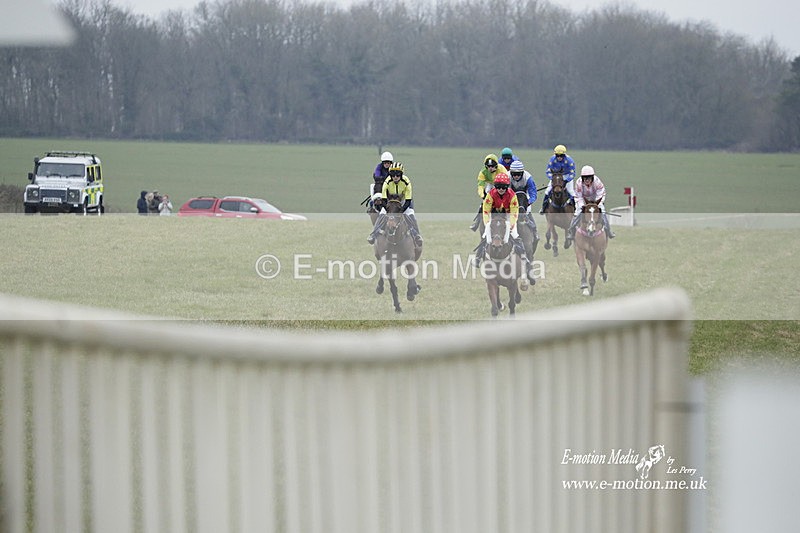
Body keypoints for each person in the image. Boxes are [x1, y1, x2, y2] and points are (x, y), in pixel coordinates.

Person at [473, 173, 529, 269]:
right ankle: (478, 257)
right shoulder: (490, 194)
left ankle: (524, 258)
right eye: (499, 187)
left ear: (507, 187)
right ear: (495, 187)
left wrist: (511, 225)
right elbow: (486, 210)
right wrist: (487, 223)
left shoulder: (512, 195)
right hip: (493, 214)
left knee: (515, 235)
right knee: (486, 235)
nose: (501, 189)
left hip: (508, 214)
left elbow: (514, 212)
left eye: (503, 187)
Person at [367, 162, 423, 246]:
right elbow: (384, 199)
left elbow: (408, 200)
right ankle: (374, 234)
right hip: (390, 203)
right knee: (382, 214)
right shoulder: (387, 182)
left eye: (397, 175)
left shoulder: (407, 182)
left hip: (403, 202)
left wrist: (401, 211)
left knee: (410, 215)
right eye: (393, 175)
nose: (395, 177)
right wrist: (388, 210)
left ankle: (416, 235)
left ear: (401, 175)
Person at [565, 165, 616, 246]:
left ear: (592, 177)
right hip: (583, 200)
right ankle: (571, 231)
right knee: (577, 213)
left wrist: (597, 205)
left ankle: (608, 230)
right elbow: (578, 196)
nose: (586, 180)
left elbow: (601, 194)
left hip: (596, 199)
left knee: (602, 212)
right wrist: (582, 206)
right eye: (585, 178)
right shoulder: (578, 183)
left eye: (588, 177)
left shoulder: (597, 182)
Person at [469, 153, 506, 231]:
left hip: (501, 185)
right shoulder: (482, 172)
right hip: (490, 184)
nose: (490, 168)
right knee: (483, 203)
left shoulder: (502, 169)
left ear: (496, 165)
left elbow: (506, 182)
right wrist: (483, 195)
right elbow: (480, 186)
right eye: (488, 166)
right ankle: (477, 222)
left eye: (492, 166)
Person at [539, 144, 576, 214]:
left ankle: (576, 210)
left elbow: (573, 173)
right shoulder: (552, 159)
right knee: (547, 191)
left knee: (571, 192)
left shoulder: (569, 161)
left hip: (567, 176)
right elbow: (548, 171)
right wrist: (553, 179)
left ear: (564, 155)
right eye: (557, 155)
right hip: (555, 176)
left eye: (561, 155)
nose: (559, 157)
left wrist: (566, 181)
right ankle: (543, 208)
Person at [508, 160, 539, 237]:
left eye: (518, 174)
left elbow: (533, 194)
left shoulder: (528, 178)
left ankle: (534, 231)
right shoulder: (507, 177)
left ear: (522, 173)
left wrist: (529, 202)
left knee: (528, 210)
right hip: (511, 197)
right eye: (514, 174)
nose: (516, 176)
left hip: (524, 196)